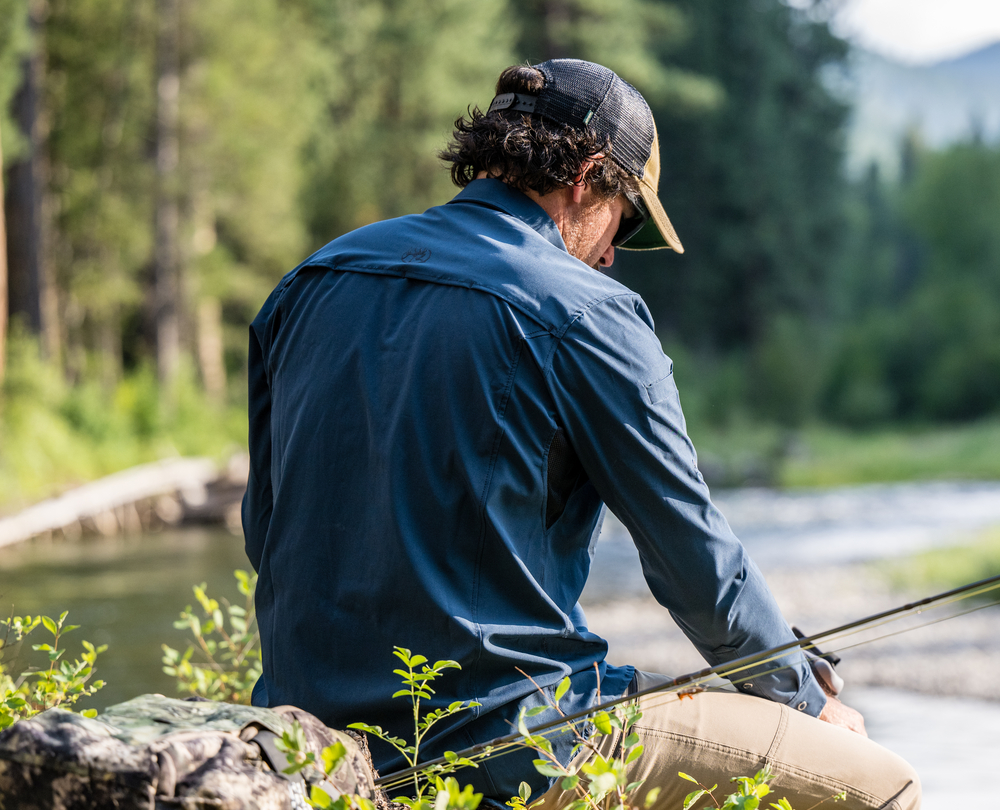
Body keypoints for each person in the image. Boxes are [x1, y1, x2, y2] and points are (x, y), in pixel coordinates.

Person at [242, 60, 920, 810]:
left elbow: (265, 529)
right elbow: (694, 559)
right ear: (589, 175)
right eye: (623, 222)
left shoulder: (309, 282)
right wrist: (803, 695)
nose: (609, 254)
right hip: (512, 750)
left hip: (305, 738)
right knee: (883, 785)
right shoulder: (589, 314)